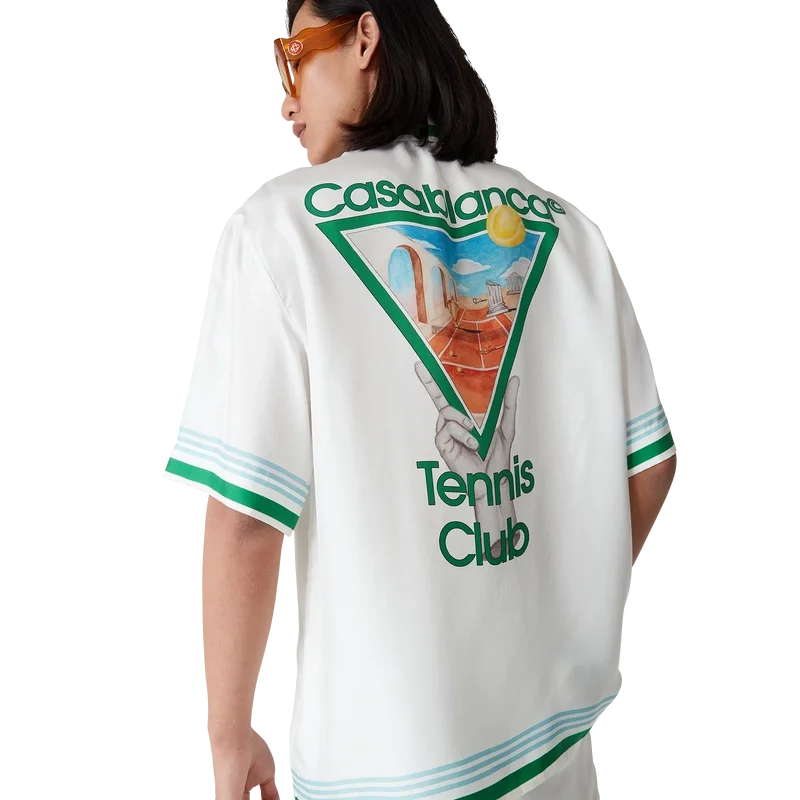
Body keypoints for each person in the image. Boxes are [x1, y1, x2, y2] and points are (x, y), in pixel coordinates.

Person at [162, 1, 678, 798]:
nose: (284, 100)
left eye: (292, 57)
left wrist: (229, 736)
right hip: (555, 745)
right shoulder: (568, 223)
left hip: (387, 762)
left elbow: (243, 518)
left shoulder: (278, 227)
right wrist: (554, 593)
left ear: (365, 38)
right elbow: (648, 467)